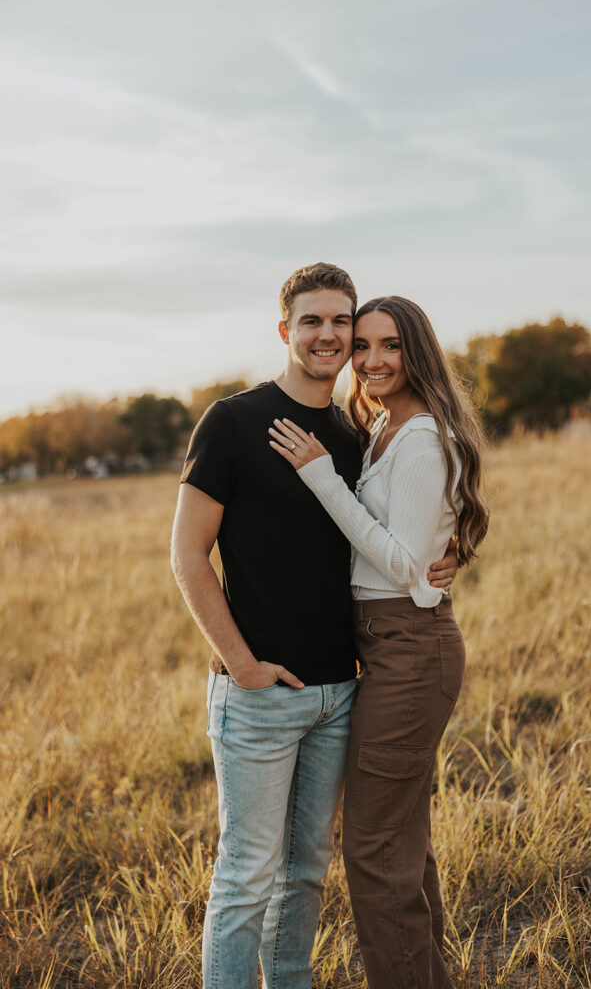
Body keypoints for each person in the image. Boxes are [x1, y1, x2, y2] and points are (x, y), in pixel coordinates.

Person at [170, 264, 458, 989]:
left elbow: (393, 533)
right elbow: (186, 556)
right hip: (260, 692)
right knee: (245, 875)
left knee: (306, 872)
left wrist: (443, 557)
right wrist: (239, 663)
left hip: (341, 691)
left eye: (342, 323)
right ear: (285, 331)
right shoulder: (232, 421)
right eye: (314, 321)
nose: (331, 336)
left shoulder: (356, 432)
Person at [269, 294, 489, 989]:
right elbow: (414, 544)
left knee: (372, 850)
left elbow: (399, 560)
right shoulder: (386, 431)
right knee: (401, 846)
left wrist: (319, 477)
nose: (369, 361)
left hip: (410, 649)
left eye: (388, 345)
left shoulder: (420, 436)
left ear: (416, 350)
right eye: (361, 346)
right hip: (387, 643)